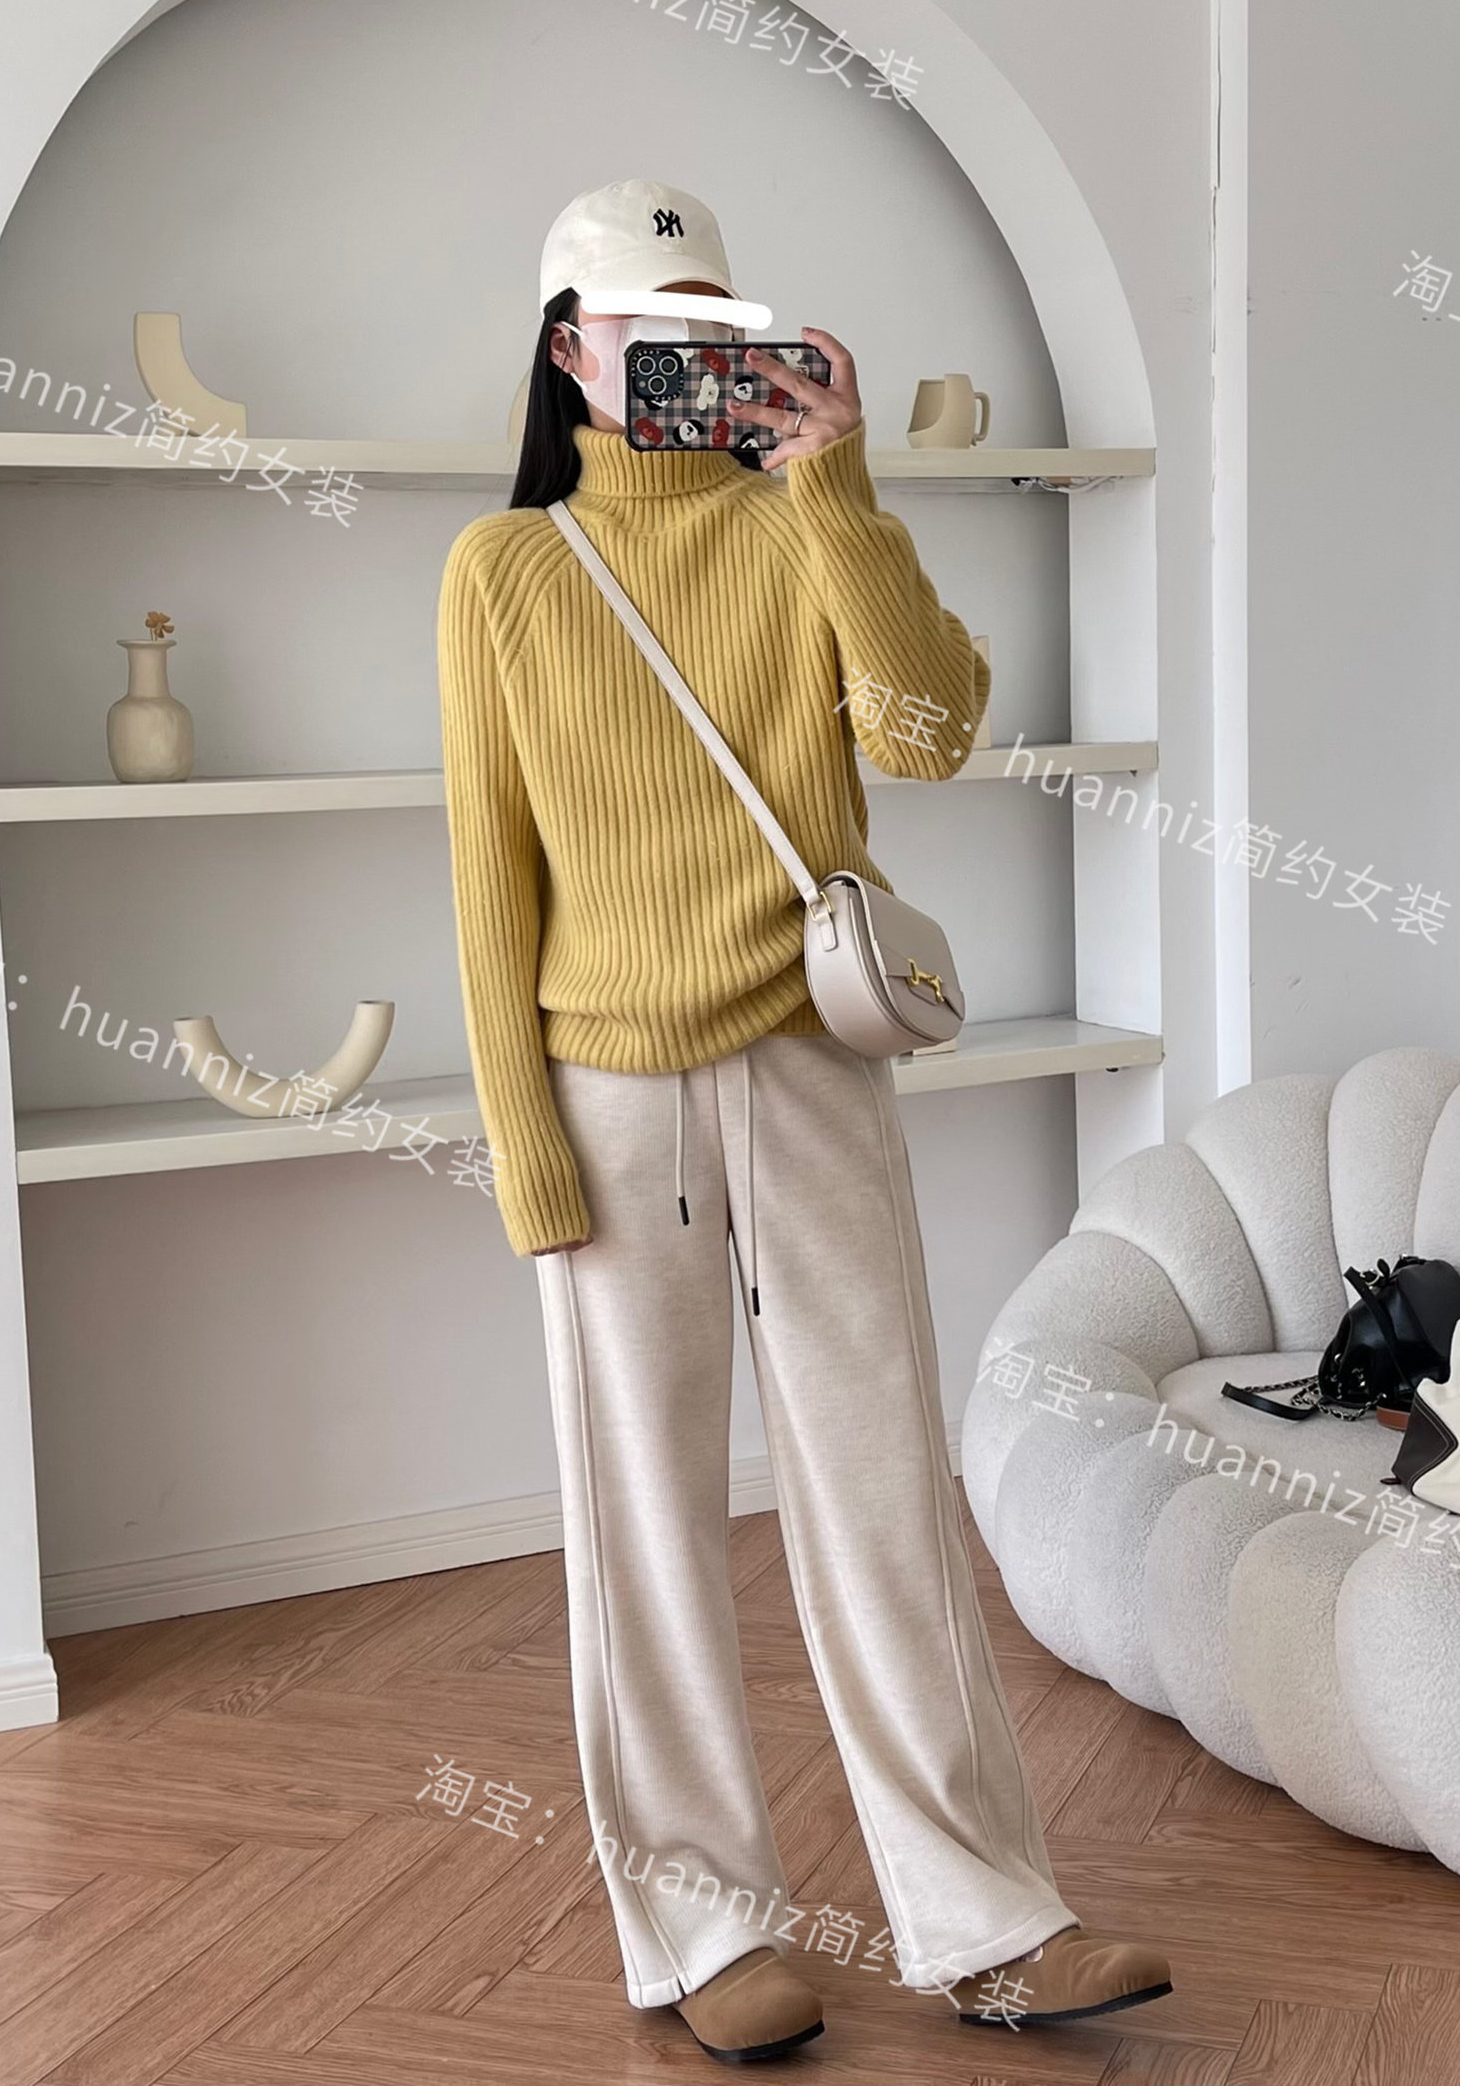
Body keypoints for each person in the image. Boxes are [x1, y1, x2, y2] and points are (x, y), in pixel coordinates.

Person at [437, 178, 1172, 2063]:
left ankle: (988, 1923)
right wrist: (522, 1140)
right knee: (645, 1526)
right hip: (605, 1092)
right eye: (645, 327)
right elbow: (487, 876)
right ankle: (702, 1933)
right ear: (570, 352)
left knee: (880, 1492)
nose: (683, 354)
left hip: (812, 1063)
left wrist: (836, 482)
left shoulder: (797, 524)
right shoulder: (503, 571)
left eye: (714, 321)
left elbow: (927, 735)